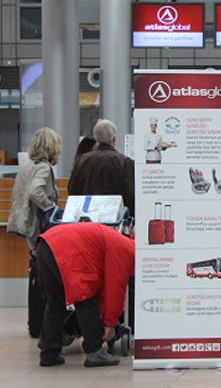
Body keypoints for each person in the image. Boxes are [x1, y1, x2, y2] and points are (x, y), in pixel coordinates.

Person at [36, 222, 134, 367]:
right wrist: (111, 323)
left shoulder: (120, 242)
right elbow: (115, 289)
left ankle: (49, 353)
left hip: (46, 244)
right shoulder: (127, 250)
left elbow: (102, 291)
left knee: (55, 302)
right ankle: (94, 351)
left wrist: (105, 319)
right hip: (67, 247)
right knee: (84, 297)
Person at [8, 128, 62, 252]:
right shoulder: (44, 168)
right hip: (38, 222)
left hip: (27, 221)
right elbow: (35, 191)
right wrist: (50, 207)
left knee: (36, 255)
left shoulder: (25, 168)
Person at [69, 119, 135, 215]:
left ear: (96, 139)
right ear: (113, 139)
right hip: (114, 217)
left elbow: (73, 190)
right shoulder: (124, 162)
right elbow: (130, 194)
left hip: (88, 216)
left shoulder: (82, 160)